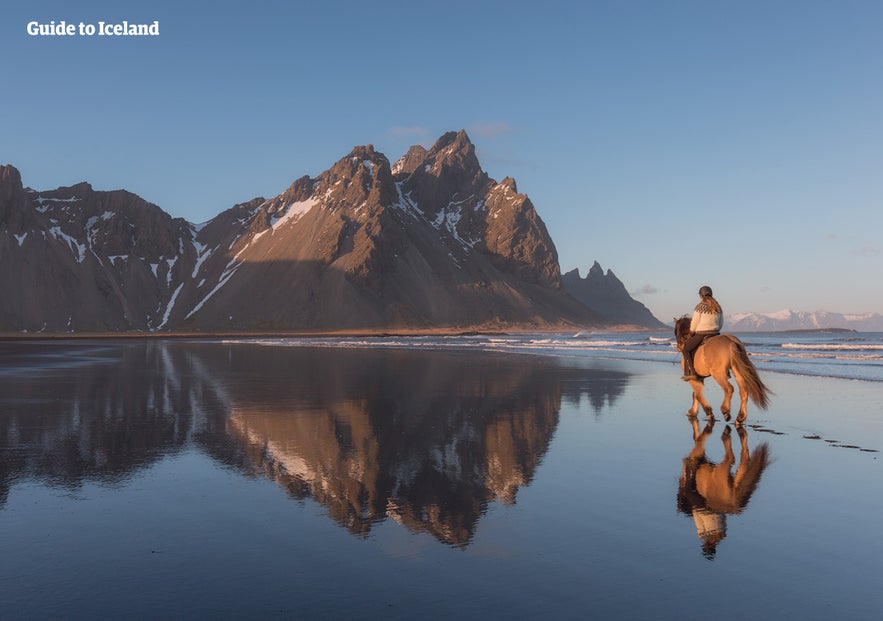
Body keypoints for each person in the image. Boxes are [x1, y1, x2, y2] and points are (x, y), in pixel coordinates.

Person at [681, 285, 723, 381]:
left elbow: (695, 322)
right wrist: (715, 329)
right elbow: (721, 323)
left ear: (701, 296)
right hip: (716, 333)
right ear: (711, 294)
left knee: (686, 349)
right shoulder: (718, 307)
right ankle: (727, 371)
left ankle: (691, 373)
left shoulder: (700, 306)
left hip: (702, 333)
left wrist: (691, 332)